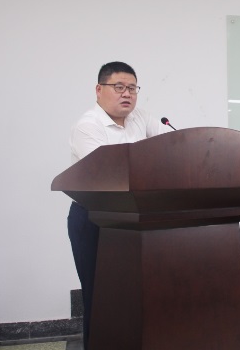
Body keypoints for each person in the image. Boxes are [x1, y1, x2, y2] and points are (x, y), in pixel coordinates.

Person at [67, 61, 171, 349]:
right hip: (94, 218)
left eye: (132, 88)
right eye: (119, 87)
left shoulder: (141, 117)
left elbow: (171, 148)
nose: (127, 94)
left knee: (134, 292)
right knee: (100, 294)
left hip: (136, 215)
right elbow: (110, 175)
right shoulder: (88, 126)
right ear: (99, 90)